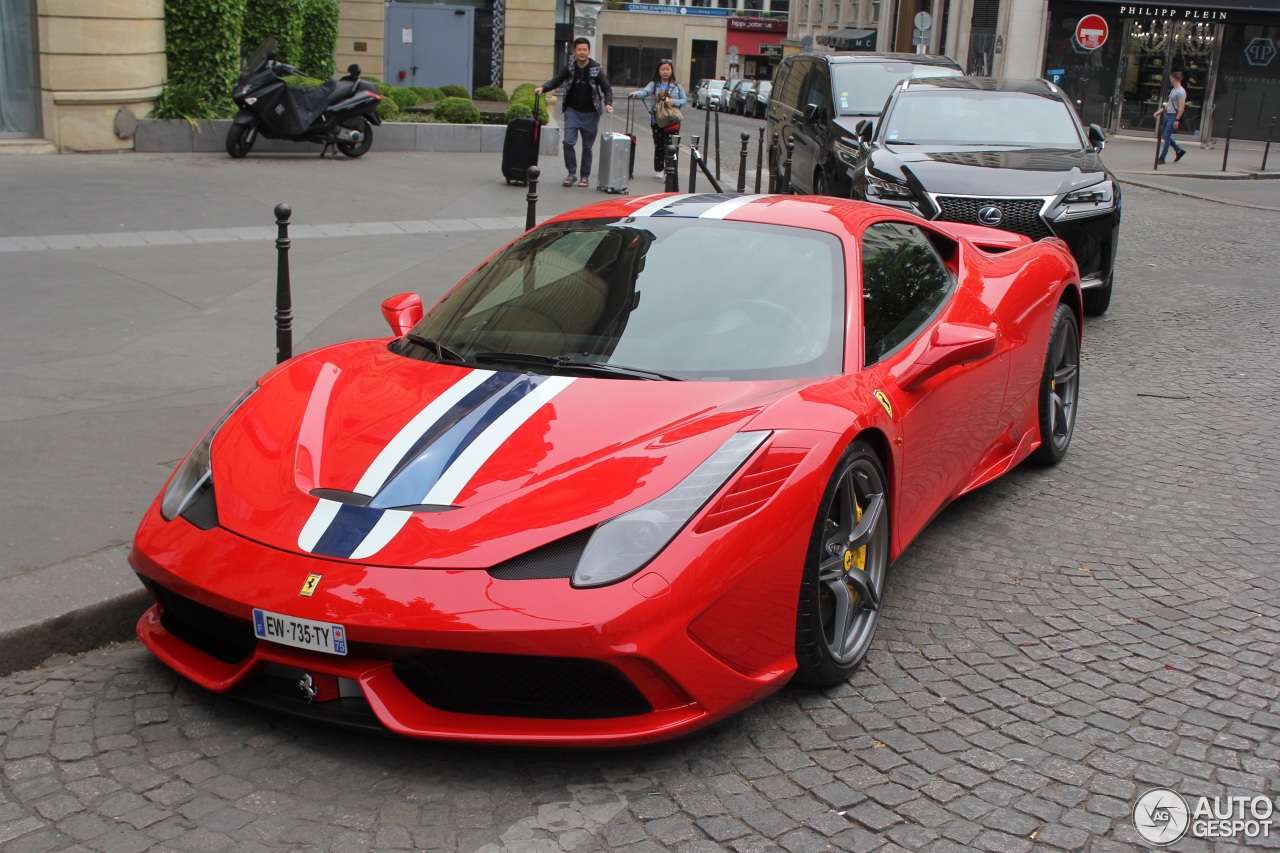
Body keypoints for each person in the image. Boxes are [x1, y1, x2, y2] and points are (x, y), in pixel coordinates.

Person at [535, 38, 614, 187]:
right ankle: (571, 173)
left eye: (585, 49)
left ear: (589, 51)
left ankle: (584, 176)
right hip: (572, 111)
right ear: (574, 52)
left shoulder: (596, 68)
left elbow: (606, 87)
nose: (582, 52)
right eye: (579, 50)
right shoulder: (570, 67)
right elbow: (557, 80)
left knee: (587, 147)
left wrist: (608, 103)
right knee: (568, 142)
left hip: (591, 113)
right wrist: (543, 88)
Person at [630, 60, 688, 180]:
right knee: (659, 145)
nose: (665, 72)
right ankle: (659, 169)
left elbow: (684, 100)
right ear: (659, 71)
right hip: (657, 120)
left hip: (672, 120)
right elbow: (645, 92)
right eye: (663, 69)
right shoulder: (654, 84)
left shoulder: (677, 86)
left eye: (668, 69)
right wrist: (636, 94)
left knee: (671, 146)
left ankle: (670, 169)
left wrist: (674, 102)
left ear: (671, 71)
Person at [1156, 70, 1187, 165]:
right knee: (1166, 136)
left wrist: (1177, 119)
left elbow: (1182, 107)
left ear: (1174, 79)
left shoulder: (1181, 92)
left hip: (1173, 116)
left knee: (1166, 136)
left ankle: (1162, 157)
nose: (1170, 79)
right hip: (1169, 114)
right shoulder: (1174, 90)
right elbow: (1169, 102)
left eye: (1171, 78)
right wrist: (1160, 111)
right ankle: (1179, 150)